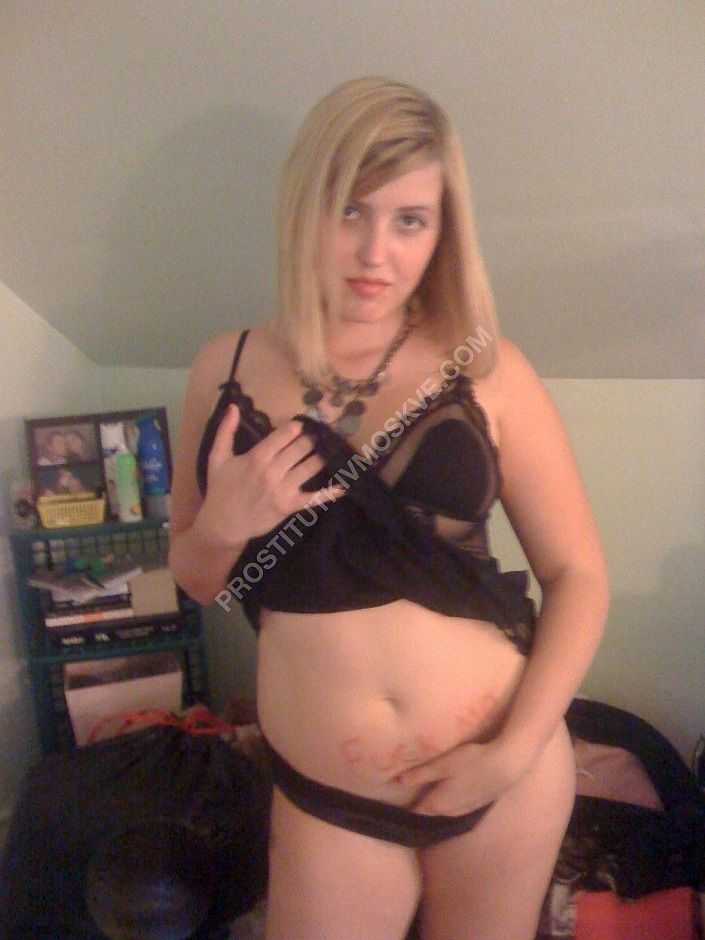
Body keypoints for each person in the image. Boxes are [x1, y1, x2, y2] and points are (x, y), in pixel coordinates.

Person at [168, 76, 610, 940]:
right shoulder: (226, 368)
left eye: (410, 220)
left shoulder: (489, 367)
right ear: (305, 211)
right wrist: (225, 523)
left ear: (442, 233)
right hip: (327, 800)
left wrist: (511, 751)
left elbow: (578, 574)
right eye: (350, 212)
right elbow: (195, 579)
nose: (376, 252)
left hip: (499, 778)